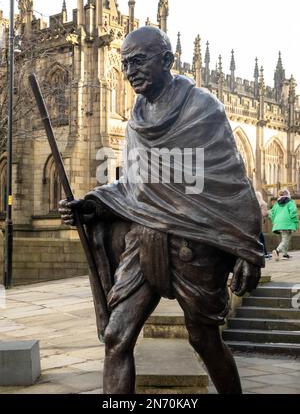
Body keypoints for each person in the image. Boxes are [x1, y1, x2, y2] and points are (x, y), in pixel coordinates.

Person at [59, 26, 264, 394]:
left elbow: (231, 181)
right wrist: (92, 204)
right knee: (116, 337)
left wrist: (248, 248)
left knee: (203, 339)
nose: (130, 71)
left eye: (139, 61)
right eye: (125, 64)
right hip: (143, 238)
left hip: (193, 243)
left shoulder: (203, 108)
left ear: (167, 60)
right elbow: (136, 185)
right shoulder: (137, 120)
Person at [270, 189, 299, 261]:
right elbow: (293, 213)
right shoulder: (290, 202)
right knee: (285, 240)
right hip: (287, 223)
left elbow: (271, 214)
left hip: (278, 224)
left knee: (285, 239)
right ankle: (277, 251)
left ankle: (285, 254)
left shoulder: (276, 204)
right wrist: (296, 222)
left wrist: (274, 222)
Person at [255, 190, 270, 259]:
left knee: (257, 237)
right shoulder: (262, 203)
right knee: (261, 238)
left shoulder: (252, 203)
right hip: (259, 222)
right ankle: (264, 253)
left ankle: (261, 253)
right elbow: (264, 214)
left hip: (253, 222)